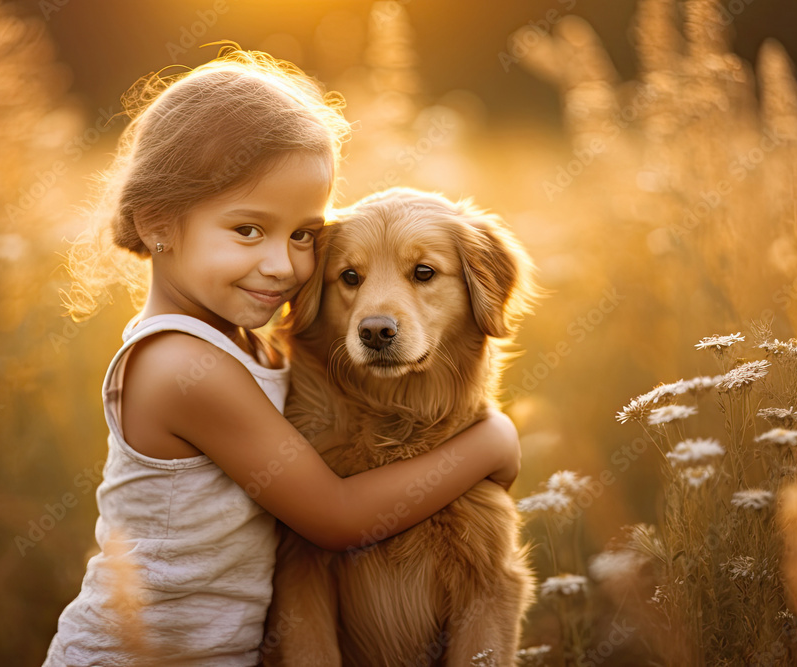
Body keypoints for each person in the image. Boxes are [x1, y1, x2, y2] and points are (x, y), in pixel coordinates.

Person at [43, 48, 521, 666]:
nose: (283, 264)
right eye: (248, 230)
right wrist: (490, 444)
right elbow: (335, 518)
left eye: (302, 235)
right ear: (158, 221)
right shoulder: (182, 368)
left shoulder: (248, 345)